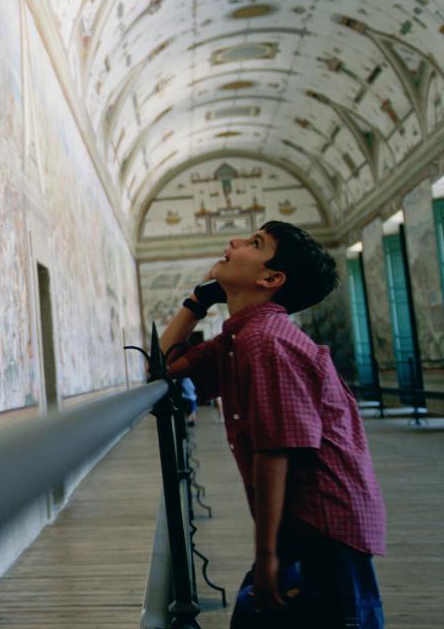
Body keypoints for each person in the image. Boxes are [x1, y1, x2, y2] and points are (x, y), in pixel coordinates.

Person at [162, 221, 385, 628]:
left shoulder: (265, 340)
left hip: (324, 527)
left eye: (254, 242)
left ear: (271, 277)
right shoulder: (240, 336)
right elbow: (162, 367)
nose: (233, 242)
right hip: (305, 525)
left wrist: (267, 556)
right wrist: (197, 301)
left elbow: (275, 451)